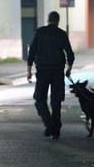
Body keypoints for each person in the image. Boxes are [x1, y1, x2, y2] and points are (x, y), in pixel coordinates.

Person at [27, 11, 74, 139]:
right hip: (58, 70)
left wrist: (29, 70)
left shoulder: (40, 32)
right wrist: (69, 68)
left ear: (48, 20)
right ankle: (55, 128)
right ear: (58, 21)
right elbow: (70, 53)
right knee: (56, 100)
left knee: (40, 99)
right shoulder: (62, 34)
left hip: (42, 70)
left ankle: (49, 125)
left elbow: (32, 51)